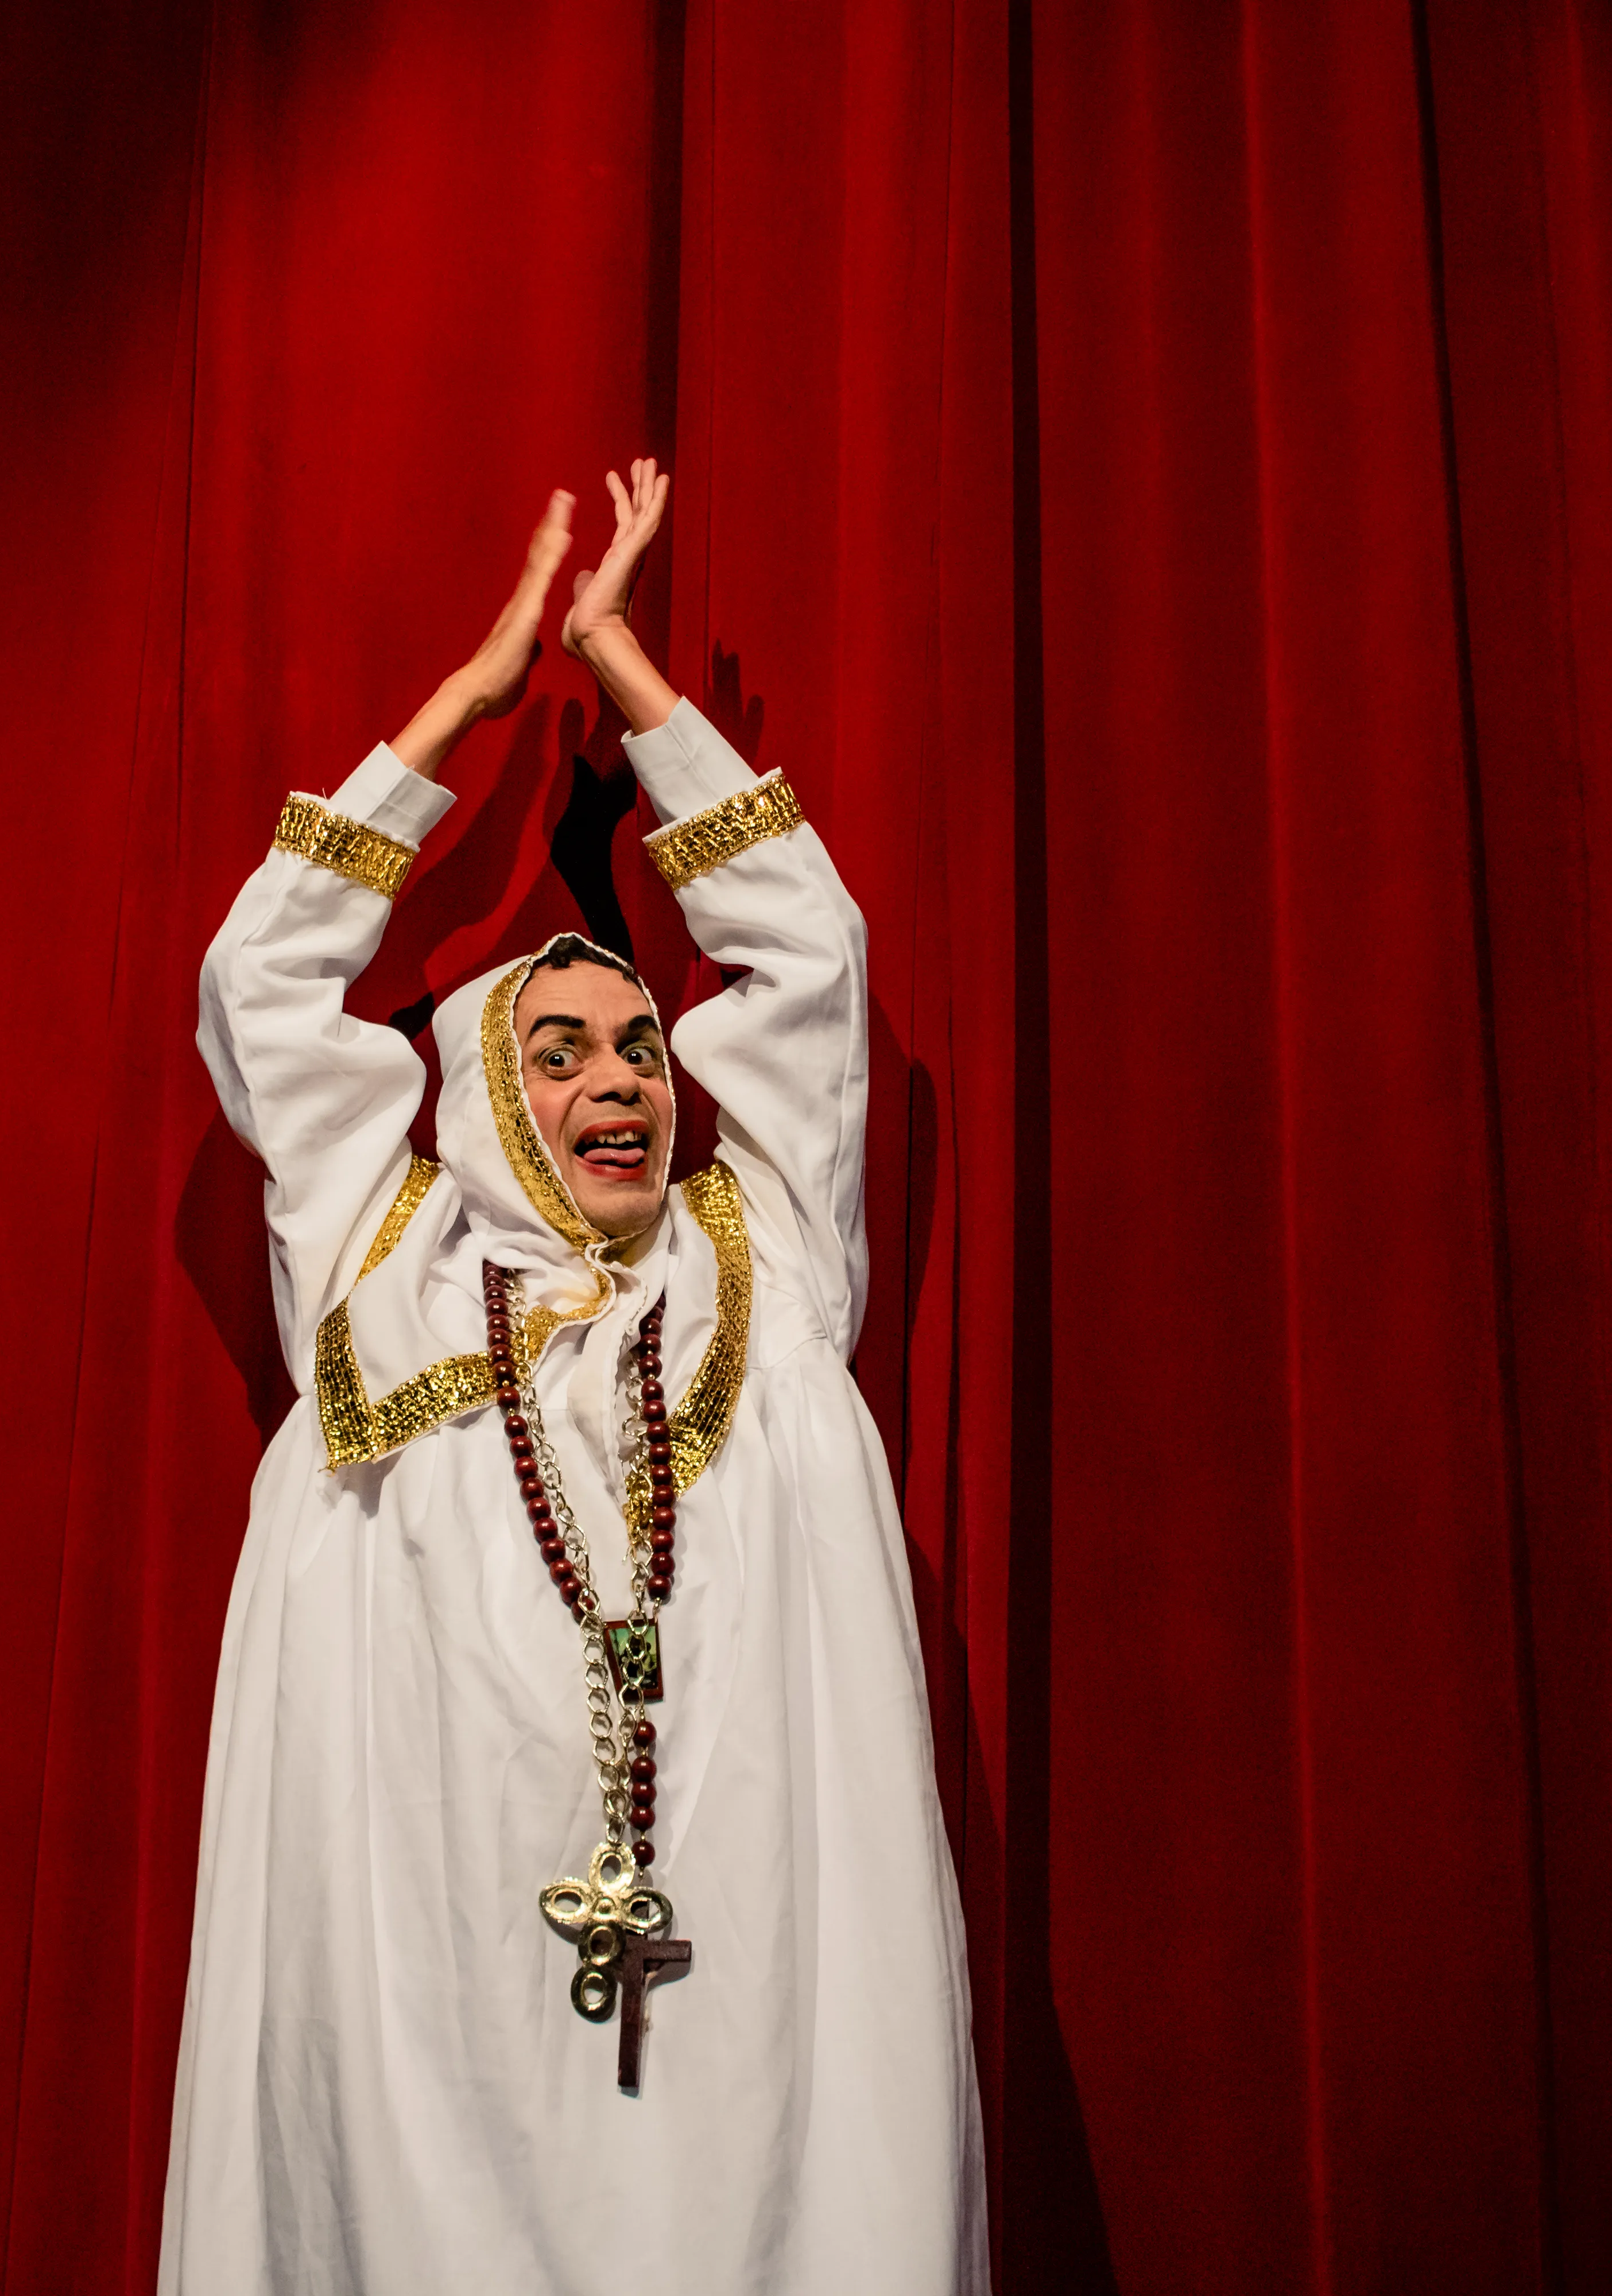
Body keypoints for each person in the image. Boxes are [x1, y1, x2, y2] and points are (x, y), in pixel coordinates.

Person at [168, 461, 986, 2293]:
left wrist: (625, 666)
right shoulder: (377, 1273)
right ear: (466, 1097)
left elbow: (810, 955)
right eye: (558, 1051)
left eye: (638, 1044)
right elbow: (264, 984)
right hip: (430, 2019)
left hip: (737, 2007)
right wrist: (467, 706)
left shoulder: (760, 1262)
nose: (622, 1080)